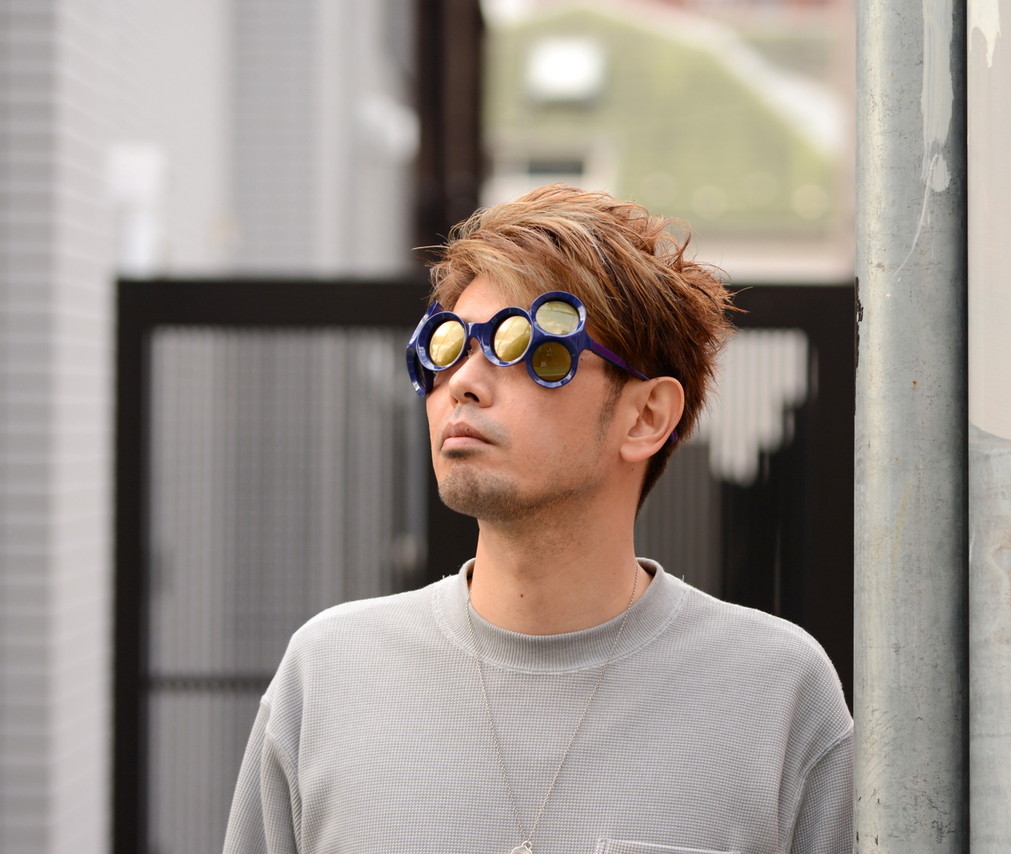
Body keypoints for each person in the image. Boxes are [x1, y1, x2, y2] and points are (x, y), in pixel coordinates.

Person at [222, 185, 853, 854]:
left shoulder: (775, 693)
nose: (463, 382)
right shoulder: (328, 676)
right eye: (445, 346)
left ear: (646, 417)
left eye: (527, 347)